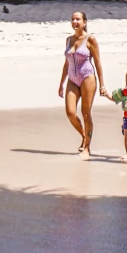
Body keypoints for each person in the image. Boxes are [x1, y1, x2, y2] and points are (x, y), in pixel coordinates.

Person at [56, 10, 105, 155]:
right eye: (73, 19)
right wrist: (61, 83)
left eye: (78, 19)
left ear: (85, 22)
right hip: (72, 78)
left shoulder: (90, 39)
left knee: (85, 113)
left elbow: (97, 62)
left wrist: (102, 84)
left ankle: (87, 147)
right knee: (70, 112)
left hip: (87, 77)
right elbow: (66, 63)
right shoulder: (68, 40)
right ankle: (84, 135)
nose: (75, 22)